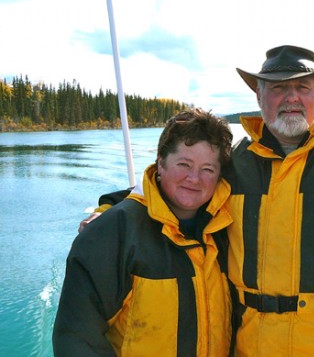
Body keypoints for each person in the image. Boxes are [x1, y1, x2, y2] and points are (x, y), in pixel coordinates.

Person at [83, 45, 314, 357]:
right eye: (278, 88)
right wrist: (112, 210)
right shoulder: (234, 164)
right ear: (260, 97)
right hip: (253, 346)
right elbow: (172, 188)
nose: (291, 97)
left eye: (302, 87)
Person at [53, 108, 235, 357]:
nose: (194, 178)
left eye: (208, 169)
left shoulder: (226, 230)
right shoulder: (113, 234)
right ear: (160, 163)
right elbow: (77, 338)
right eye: (184, 164)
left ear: (219, 176)